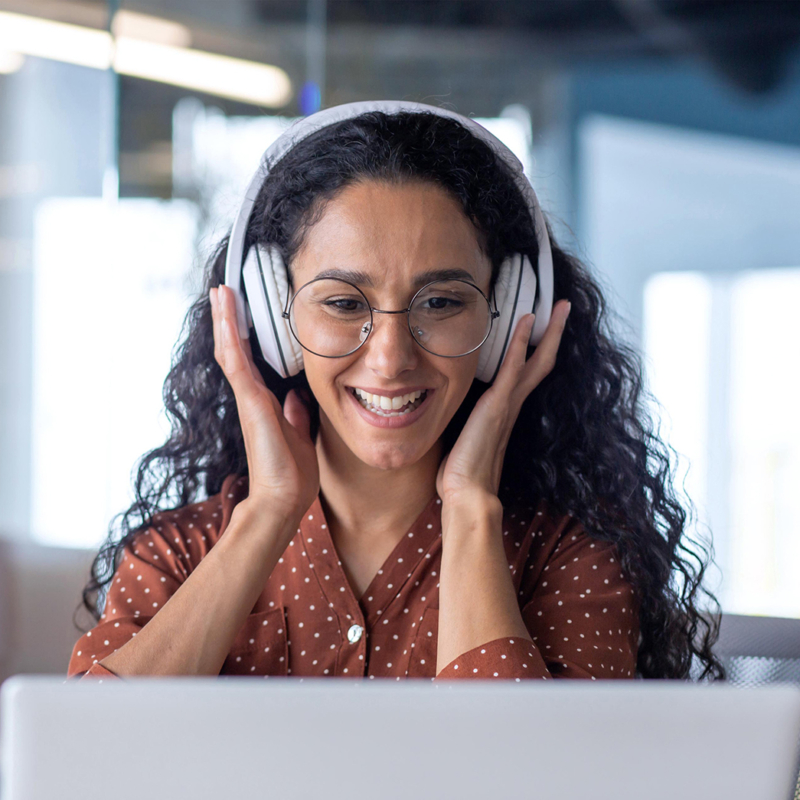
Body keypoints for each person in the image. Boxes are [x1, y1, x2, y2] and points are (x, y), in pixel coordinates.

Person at [68, 102, 724, 682]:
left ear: (504, 319)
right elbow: (82, 770)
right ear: (270, 321)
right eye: (344, 301)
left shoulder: (568, 562)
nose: (390, 357)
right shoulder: (178, 557)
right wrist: (269, 512)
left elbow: (528, 780)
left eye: (439, 300)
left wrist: (469, 511)